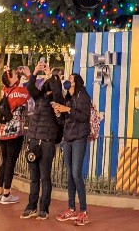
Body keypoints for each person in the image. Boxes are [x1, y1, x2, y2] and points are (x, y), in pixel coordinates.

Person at [20, 60, 65, 220]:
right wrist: (34, 72)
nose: (50, 81)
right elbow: (31, 87)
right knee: (34, 177)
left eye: (54, 79)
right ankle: (31, 206)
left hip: (47, 142)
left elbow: (58, 94)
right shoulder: (39, 98)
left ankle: (43, 209)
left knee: (45, 177)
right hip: (34, 140)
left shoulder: (57, 102)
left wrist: (50, 76)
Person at [53, 72, 92, 225]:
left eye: (70, 79)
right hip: (68, 138)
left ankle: (83, 211)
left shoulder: (83, 95)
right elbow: (64, 120)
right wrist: (59, 113)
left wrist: (68, 110)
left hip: (79, 138)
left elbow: (84, 117)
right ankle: (71, 208)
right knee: (69, 174)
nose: (68, 81)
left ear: (76, 82)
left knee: (76, 173)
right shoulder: (68, 98)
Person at [0, 66, 31, 205]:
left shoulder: (5, 91)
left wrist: (16, 74)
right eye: (16, 74)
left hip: (3, 131)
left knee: (4, 161)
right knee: (10, 162)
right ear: (12, 79)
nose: (18, 75)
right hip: (15, 133)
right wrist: (28, 75)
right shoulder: (19, 92)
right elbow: (32, 92)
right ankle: (7, 193)